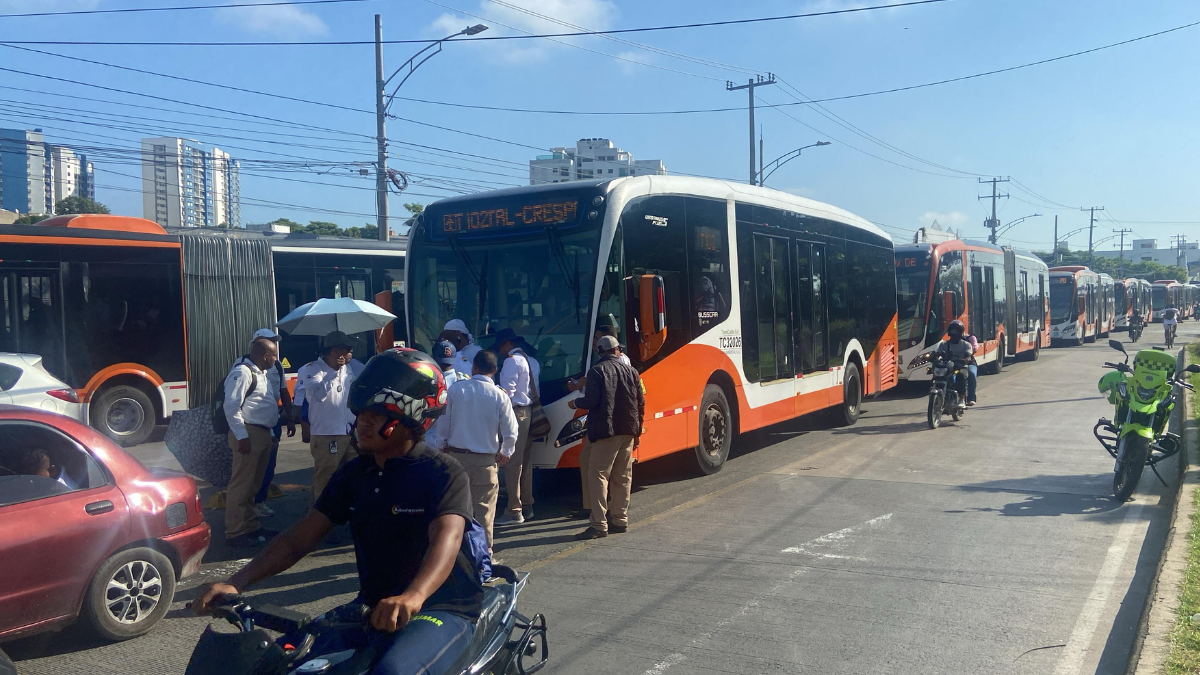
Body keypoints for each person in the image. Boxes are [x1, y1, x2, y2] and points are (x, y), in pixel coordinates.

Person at [194, 349, 483, 675]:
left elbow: (447, 538)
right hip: (374, 606)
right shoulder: (354, 474)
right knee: (287, 661)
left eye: (376, 414)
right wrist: (237, 582)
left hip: (441, 607)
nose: (362, 422)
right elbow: (298, 540)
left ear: (411, 416)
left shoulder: (442, 471)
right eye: (360, 413)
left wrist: (413, 596)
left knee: (393, 673)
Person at [428, 350, 518, 553]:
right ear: (495, 370)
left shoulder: (456, 390)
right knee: (484, 511)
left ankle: (453, 555)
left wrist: (442, 445)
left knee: (454, 509)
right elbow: (511, 431)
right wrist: (506, 451)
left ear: (474, 367)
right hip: (485, 460)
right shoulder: (500, 396)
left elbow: (443, 423)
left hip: (456, 458)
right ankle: (484, 557)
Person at [568, 336, 645, 540]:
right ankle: (620, 519)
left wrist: (576, 403)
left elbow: (592, 401)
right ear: (617, 350)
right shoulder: (632, 371)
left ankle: (599, 523)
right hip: (628, 429)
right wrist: (638, 430)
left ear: (600, 351)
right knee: (623, 476)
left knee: (599, 475)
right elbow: (640, 402)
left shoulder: (597, 371)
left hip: (605, 430)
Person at [223, 333, 283, 548]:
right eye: (274, 356)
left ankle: (252, 526)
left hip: (262, 433)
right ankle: (235, 532)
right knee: (241, 485)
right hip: (248, 434)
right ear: (265, 356)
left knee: (253, 485)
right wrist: (242, 436)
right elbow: (231, 406)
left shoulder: (261, 372)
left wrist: (272, 435)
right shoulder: (242, 372)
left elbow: (265, 404)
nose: (276, 359)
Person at [298, 331, 360, 505]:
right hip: (327, 434)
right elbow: (318, 394)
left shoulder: (347, 368)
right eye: (348, 349)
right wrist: (333, 372)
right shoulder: (312, 369)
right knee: (325, 480)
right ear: (335, 351)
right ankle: (318, 521)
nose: (351, 352)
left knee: (354, 473)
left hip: (348, 431)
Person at [493, 327, 541, 526]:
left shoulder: (512, 362)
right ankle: (526, 504)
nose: (500, 351)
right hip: (528, 413)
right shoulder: (532, 361)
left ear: (508, 344)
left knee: (511, 461)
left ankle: (514, 509)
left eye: (501, 346)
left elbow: (507, 394)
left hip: (515, 413)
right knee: (525, 461)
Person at [251, 328, 294, 519]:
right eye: (269, 341)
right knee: (253, 466)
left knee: (269, 464)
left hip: (274, 421)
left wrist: (290, 418)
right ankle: (248, 505)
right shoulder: (244, 366)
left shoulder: (277, 366)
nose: (273, 345)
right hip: (254, 424)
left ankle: (259, 501)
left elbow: (284, 391)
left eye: (274, 341)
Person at [935, 320, 972, 409]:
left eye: (956, 331)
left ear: (961, 332)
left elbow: (969, 355)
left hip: (960, 366)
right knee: (936, 376)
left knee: (961, 376)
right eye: (953, 330)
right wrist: (931, 357)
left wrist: (967, 359)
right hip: (947, 366)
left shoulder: (966, 345)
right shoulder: (943, 344)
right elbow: (937, 353)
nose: (954, 333)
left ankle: (961, 399)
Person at [12, 448, 77, 489]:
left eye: (36, 476)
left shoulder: (64, 490)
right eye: (30, 474)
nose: (31, 480)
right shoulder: (47, 483)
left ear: (52, 470)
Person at [964, 331, 979, 407]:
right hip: (955, 363)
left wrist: (969, 356)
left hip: (969, 363)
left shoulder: (970, 338)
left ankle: (971, 398)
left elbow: (975, 348)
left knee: (971, 374)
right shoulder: (949, 342)